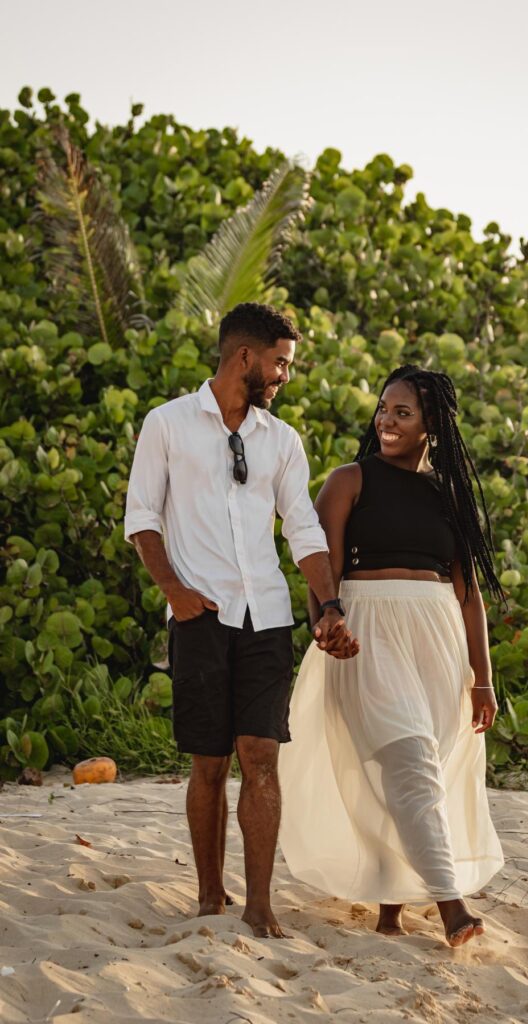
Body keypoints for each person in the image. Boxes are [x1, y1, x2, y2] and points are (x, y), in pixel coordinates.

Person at [124, 302, 357, 938]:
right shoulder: (167, 424)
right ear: (245, 358)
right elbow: (141, 518)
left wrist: (329, 604)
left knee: (261, 755)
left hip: (268, 619)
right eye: (280, 363)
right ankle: (208, 898)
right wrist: (174, 591)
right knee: (209, 763)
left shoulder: (282, 440)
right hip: (200, 617)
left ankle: (258, 905)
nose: (285, 376)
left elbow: (302, 529)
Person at [279, 364, 506, 948]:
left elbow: (469, 594)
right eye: (383, 409)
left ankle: (390, 907)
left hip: (437, 635)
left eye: (402, 413)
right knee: (409, 761)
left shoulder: (448, 494)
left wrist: (484, 679)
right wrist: (326, 618)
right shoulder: (350, 480)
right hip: (367, 631)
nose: (386, 420)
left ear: (433, 424)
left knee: (413, 766)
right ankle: (452, 904)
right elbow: (318, 563)